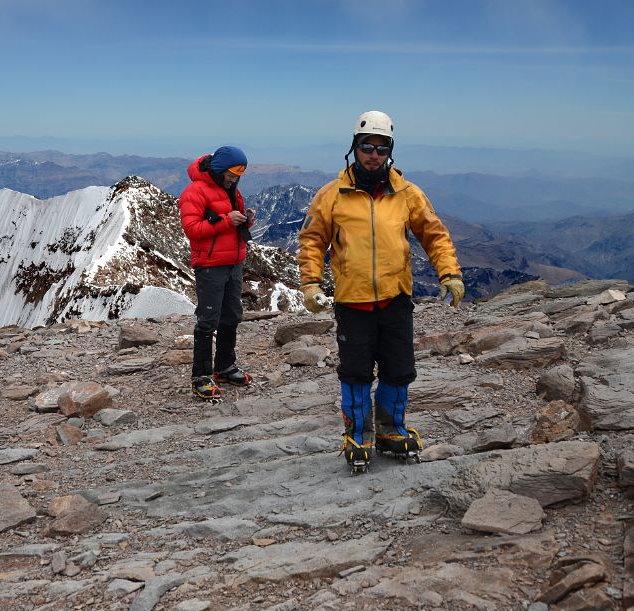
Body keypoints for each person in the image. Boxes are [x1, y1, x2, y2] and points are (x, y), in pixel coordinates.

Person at [297, 110, 464, 472]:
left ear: (390, 150)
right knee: (355, 372)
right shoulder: (332, 196)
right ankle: (359, 433)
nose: (373, 154)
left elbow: (434, 234)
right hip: (352, 301)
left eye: (381, 147)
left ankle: (391, 429)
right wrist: (310, 283)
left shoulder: (407, 193)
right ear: (354, 148)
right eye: (366, 146)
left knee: (398, 369)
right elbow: (311, 240)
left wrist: (449, 272)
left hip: (395, 299)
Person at [179, 145, 256, 401]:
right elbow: (192, 229)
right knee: (208, 320)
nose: (235, 179)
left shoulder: (231, 189)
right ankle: (200, 376)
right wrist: (225, 221)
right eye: (232, 174)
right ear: (220, 169)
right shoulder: (195, 191)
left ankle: (224, 366)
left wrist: (245, 220)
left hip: (233, 262)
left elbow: (228, 222)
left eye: (238, 175)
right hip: (210, 265)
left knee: (231, 316)